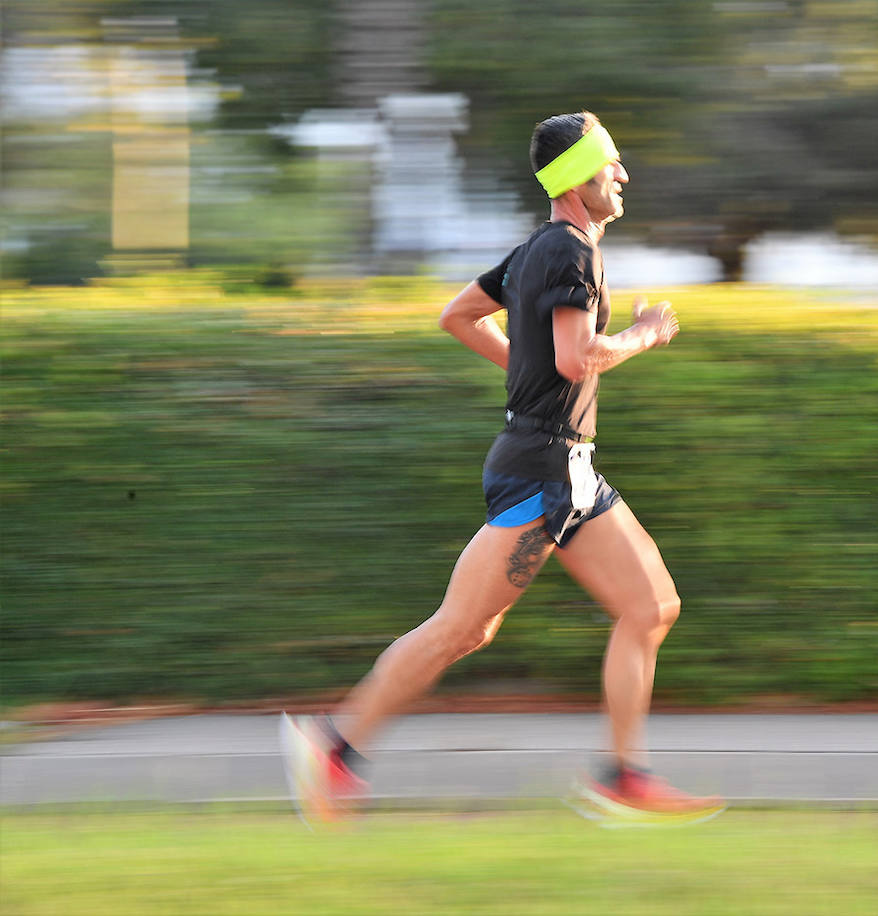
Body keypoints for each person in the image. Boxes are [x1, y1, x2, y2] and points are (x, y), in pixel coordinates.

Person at [280, 111, 724, 827]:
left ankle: (622, 777)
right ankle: (332, 748)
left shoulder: (538, 251)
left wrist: (529, 370)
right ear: (579, 176)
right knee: (461, 628)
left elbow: (459, 316)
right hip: (544, 470)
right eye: (612, 163)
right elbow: (577, 356)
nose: (623, 175)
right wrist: (640, 337)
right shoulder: (568, 252)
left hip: (568, 470)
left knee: (650, 607)